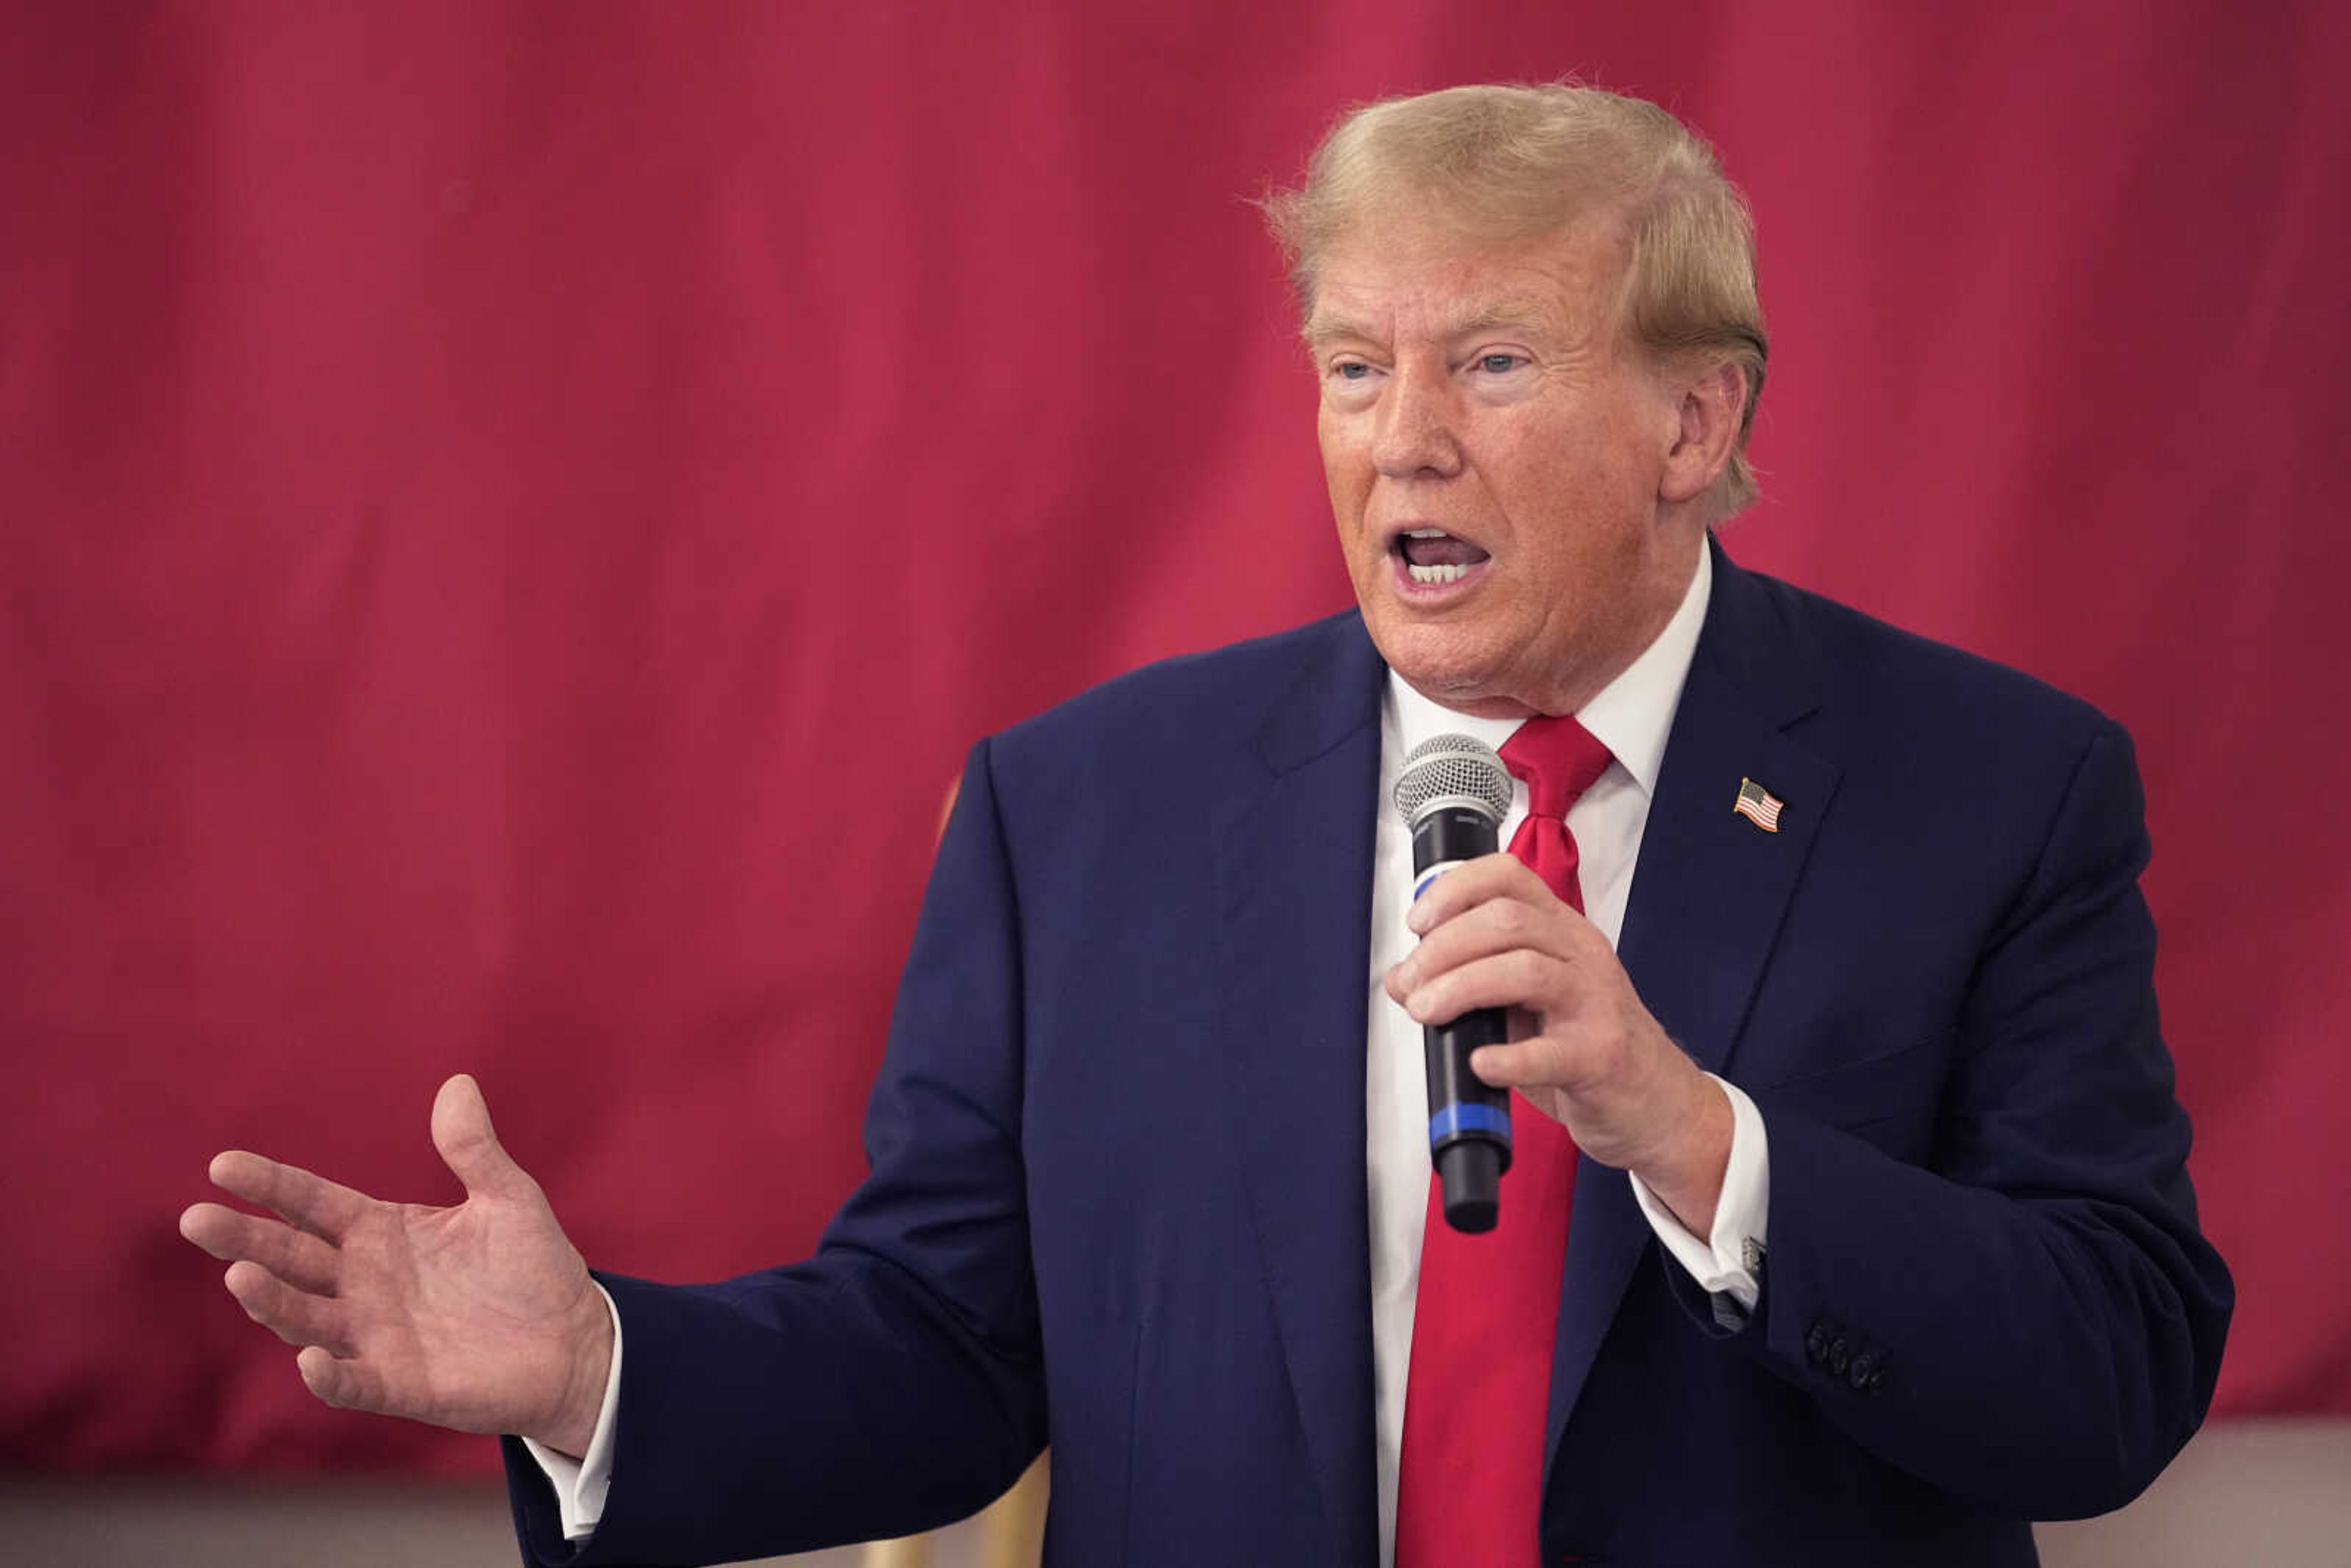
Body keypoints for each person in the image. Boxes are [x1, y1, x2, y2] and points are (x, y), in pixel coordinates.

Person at [181, 83, 2232, 1566]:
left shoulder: (1996, 788)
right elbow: (941, 1348)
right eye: (1354, 365)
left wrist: (1703, 1144)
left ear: (1698, 420)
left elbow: (2111, 1375)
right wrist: (596, 1373)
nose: (1403, 436)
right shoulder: (1081, 811)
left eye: (1492, 362)